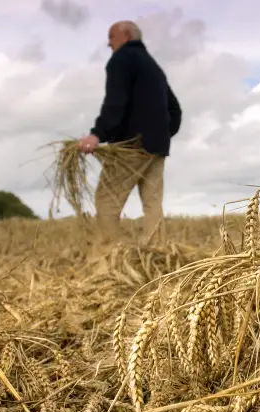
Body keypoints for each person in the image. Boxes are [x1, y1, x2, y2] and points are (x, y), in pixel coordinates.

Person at [78, 20, 182, 246]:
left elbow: (116, 101)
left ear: (125, 36)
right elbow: (175, 110)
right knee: (152, 203)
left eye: (111, 36)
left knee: (106, 201)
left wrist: (98, 134)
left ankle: (111, 257)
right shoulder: (154, 68)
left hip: (131, 146)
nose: (108, 43)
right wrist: (159, 134)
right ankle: (157, 255)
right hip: (157, 149)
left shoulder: (121, 59)